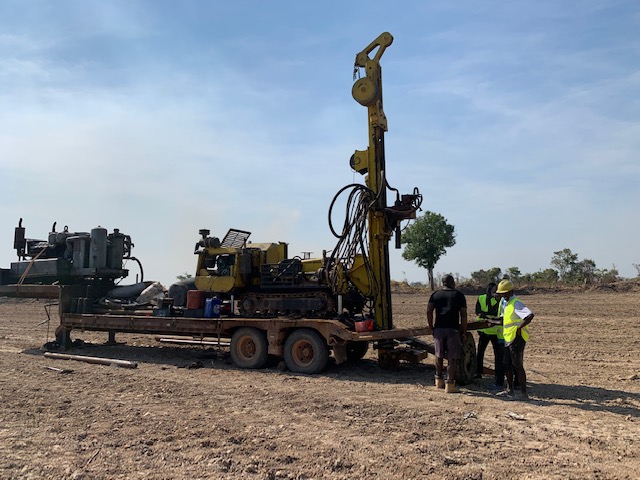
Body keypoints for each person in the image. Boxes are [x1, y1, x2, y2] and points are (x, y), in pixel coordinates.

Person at [427, 274, 468, 393]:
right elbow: (463, 315)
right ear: (453, 282)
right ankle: (450, 384)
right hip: (453, 329)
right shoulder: (459, 295)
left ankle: (438, 380)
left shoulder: (435, 295)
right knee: (452, 358)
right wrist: (464, 331)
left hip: (439, 329)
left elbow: (429, 311)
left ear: (443, 283)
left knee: (438, 355)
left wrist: (431, 327)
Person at [495, 279, 534, 400]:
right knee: (506, 364)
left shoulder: (516, 303)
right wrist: (491, 321)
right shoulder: (507, 304)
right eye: (502, 294)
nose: (503, 296)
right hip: (508, 338)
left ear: (511, 292)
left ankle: (523, 394)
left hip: (517, 338)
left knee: (517, 365)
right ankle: (510, 390)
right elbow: (504, 320)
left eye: (505, 293)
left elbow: (529, 315)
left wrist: (519, 328)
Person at [474, 282, 505, 389]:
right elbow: (478, 312)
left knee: (497, 356)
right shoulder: (482, 298)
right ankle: (478, 372)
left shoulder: (499, 300)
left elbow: (485, 313)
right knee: (480, 353)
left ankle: (496, 375)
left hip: (494, 332)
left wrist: (485, 315)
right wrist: (487, 316)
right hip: (486, 330)